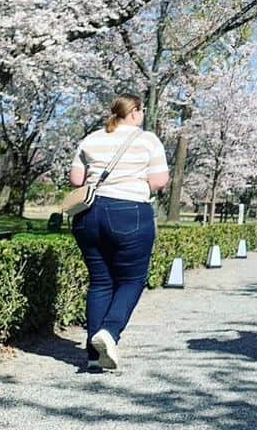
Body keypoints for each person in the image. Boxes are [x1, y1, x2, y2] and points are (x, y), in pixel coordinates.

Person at [68, 94, 169, 371]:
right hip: (130, 212)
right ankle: (109, 333)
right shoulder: (147, 140)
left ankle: (93, 354)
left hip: (89, 214)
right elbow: (160, 180)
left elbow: (77, 179)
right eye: (142, 110)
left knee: (100, 280)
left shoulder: (91, 139)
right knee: (132, 279)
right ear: (135, 112)